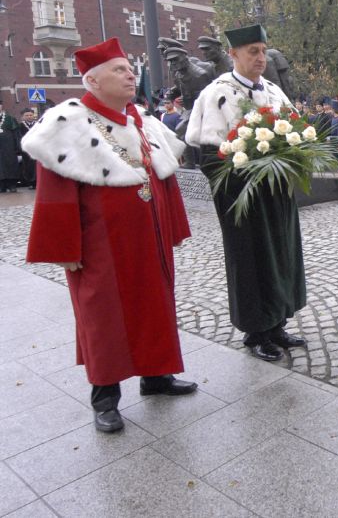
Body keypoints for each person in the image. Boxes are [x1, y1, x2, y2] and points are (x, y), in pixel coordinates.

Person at [21, 37, 196, 433]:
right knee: (103, 319)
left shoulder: (143, 122)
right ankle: (105, 398)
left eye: (129, 69)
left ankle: (157, 377)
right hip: (100, 247)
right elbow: (55, 191)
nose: (130, 74)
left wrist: (173, 227)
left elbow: (163, 177)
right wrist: (64, 247)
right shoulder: (67, 124)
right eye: (119, 69)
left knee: (155, 305)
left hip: (148, 240)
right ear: (93, 81)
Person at [186, 24, 308, 362]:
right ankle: (256, 332)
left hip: (277, 193)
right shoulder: (217, 93)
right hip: (242, 197)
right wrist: (248, 174)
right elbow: (210, 156)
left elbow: (295, 135)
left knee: (281, 255)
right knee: (251, 261)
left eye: (263, 50)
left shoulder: (273, 91)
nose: (260, 57)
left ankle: (278, 322)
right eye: (252, 51)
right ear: (234, 54)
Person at [0, 102, 19, 192]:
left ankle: (12, 185)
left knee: (10, 164)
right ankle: (1, 186)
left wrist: (17, 146)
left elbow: (16, 134)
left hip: (9, 147)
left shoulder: (10, 119)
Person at [16, 108, 38, 189]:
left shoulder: (38, 124)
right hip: (26, 149)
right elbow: (19, 137)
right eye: (27, 115)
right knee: (28, 165)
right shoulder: (20, 126)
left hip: (36, 149)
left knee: (36, 165)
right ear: (23, 116)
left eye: (31, 115)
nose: (29, 117)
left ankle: (37, 181)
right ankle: (31, 182)